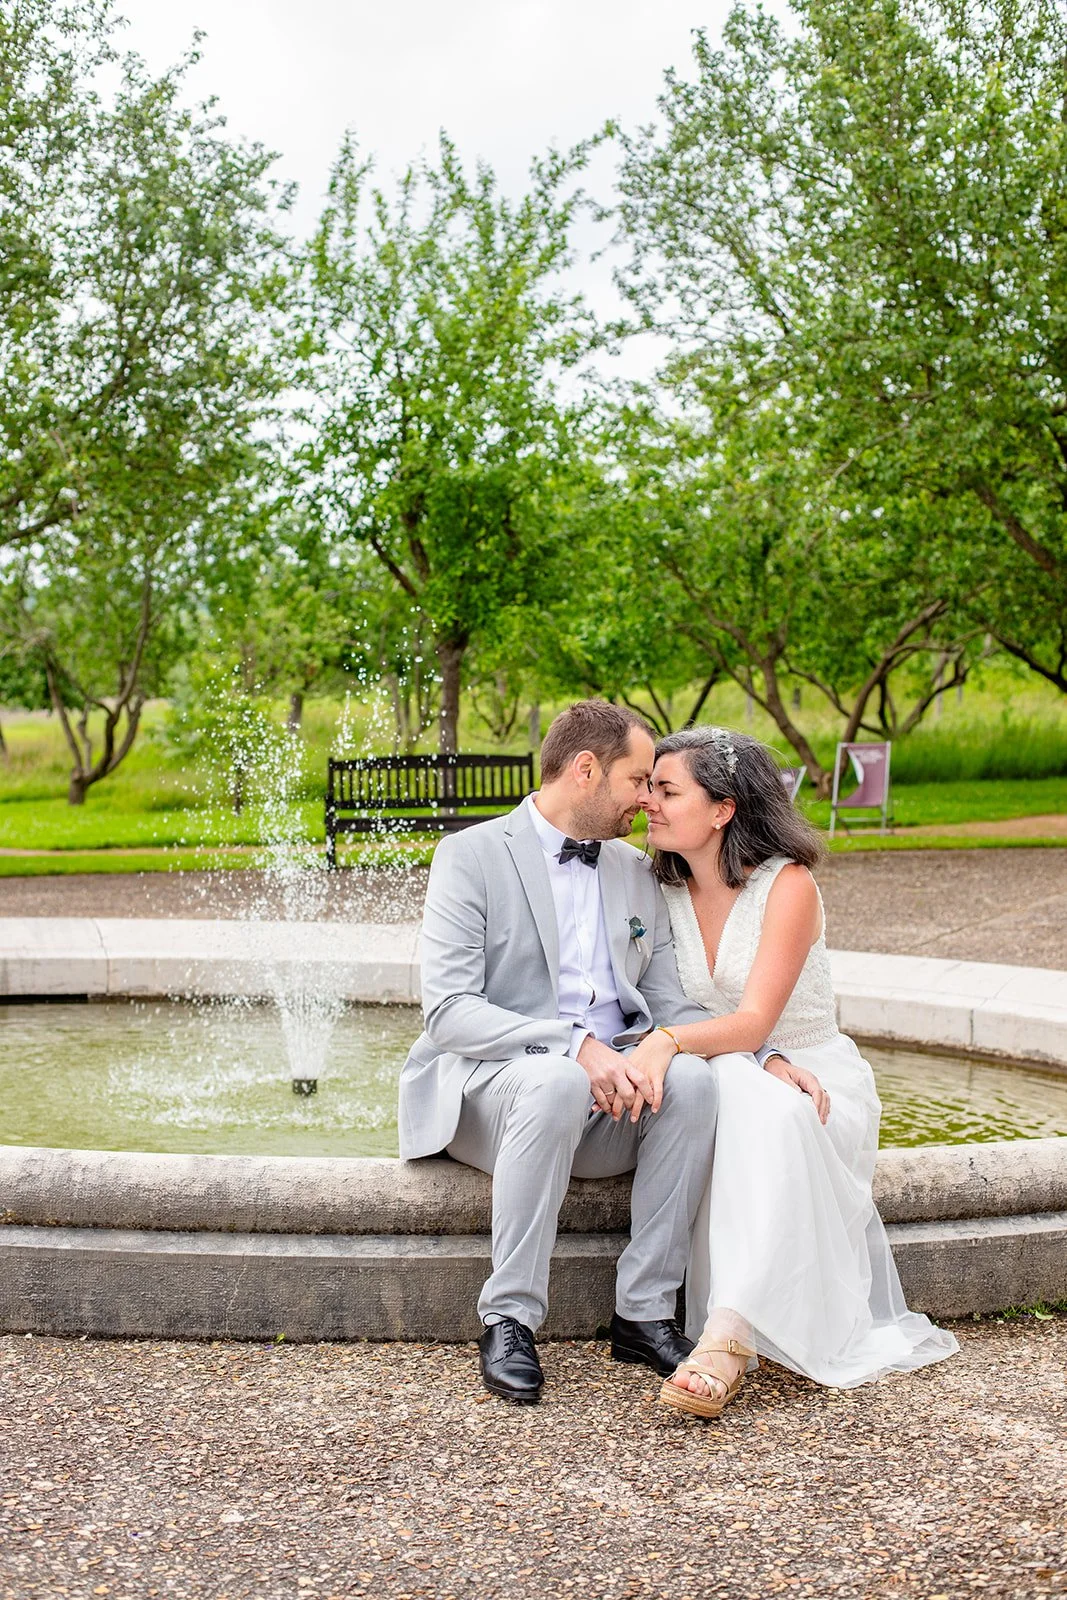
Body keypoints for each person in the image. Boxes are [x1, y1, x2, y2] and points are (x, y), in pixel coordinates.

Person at [398, 700, 775, 1405]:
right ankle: (508, 1317)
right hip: (498, 1094)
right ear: (584, 770)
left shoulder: (635, 871)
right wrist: (576, 1048)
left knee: (691, 1082)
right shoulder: (470, 856)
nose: (646, 799)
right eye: (637, 780)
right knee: (552, 1083)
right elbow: (449, 1012)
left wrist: (763, 1051)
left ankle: (643, 1313)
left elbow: (671, 1004)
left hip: (604, 1103)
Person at [625, 725, 959, 1419]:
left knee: (774, 1109)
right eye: (648, 787)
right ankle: (729, 1334)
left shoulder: (788, 886)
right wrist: (692, 1047)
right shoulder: (657, 889)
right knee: (748, 1097)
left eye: (665, 789)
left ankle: (726, 1335)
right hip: (723, 1068)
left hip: (810, 1071)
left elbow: (752, 1022)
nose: (646, 804)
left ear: (722, 809)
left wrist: (666, 1044)